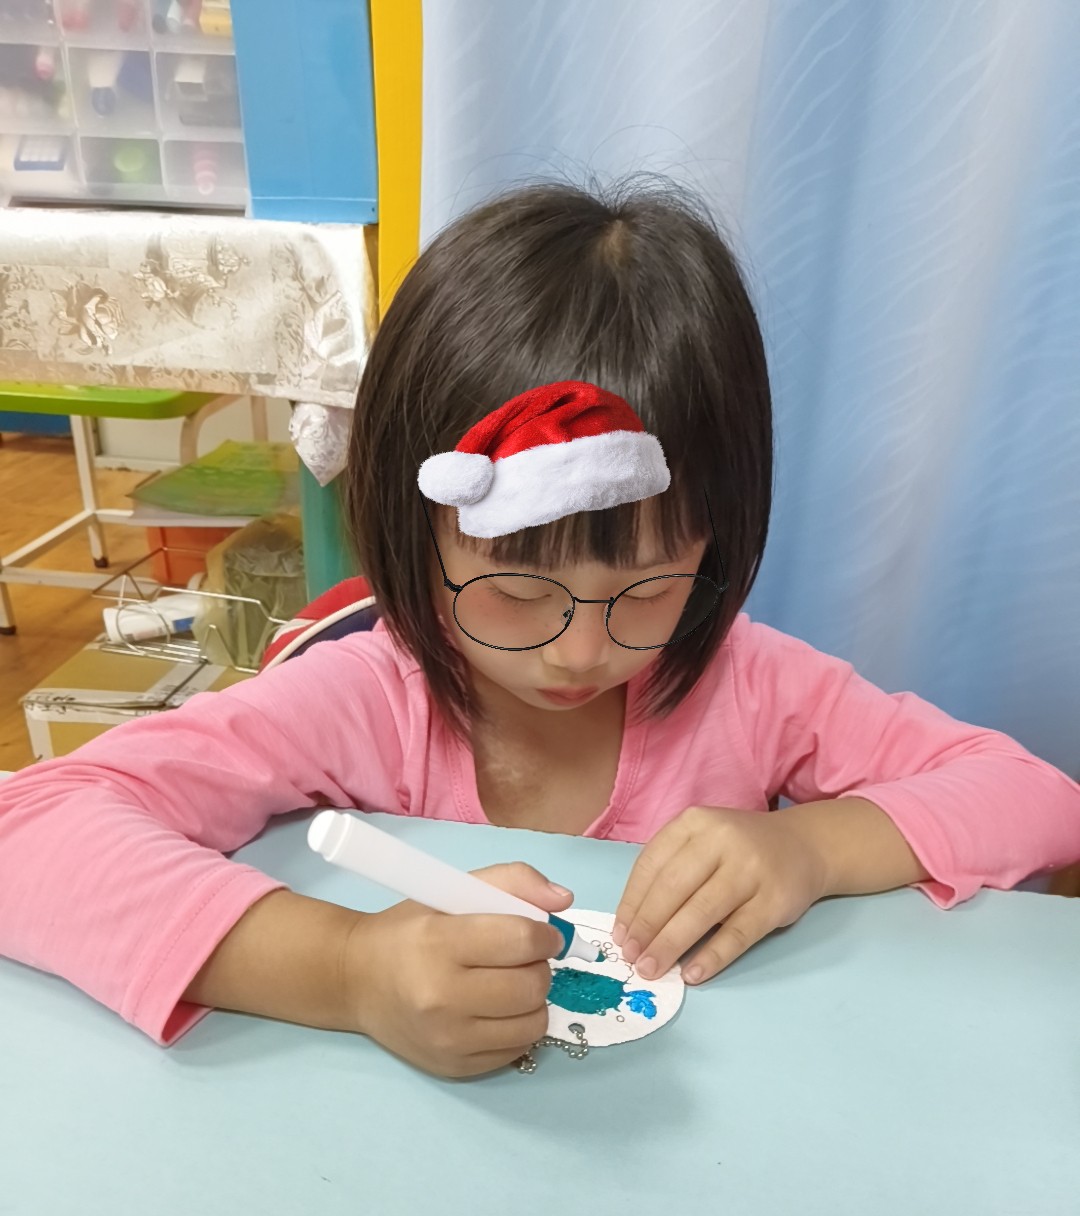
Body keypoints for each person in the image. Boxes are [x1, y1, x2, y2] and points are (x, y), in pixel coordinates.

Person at [1, 179, 1078, 1078]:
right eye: (516, 594)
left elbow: (1038, 798)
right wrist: (348, 969)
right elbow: (28, 831)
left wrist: (812, 846)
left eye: (649, 588)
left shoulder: (750, 686)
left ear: (719, 537)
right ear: (415, 534)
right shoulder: (369, 698)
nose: (579, 652)